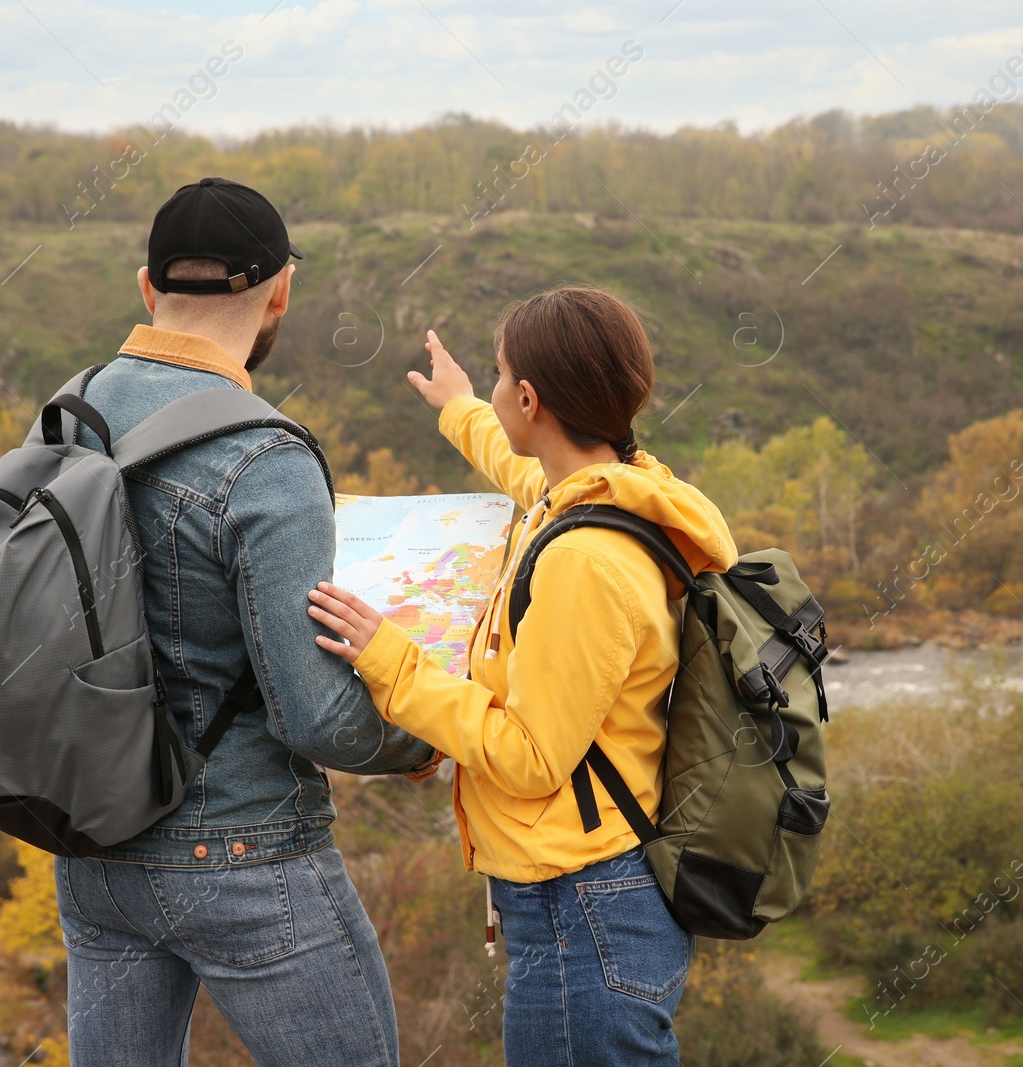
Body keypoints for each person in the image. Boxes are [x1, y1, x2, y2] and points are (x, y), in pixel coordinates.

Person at [53, 177, 441, 1067]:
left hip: (94, 847)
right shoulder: (265, 457)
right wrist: (423, 741)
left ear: (146, 290)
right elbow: (317, 718)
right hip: (245, 848)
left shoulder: (67, 414)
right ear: (281, 291)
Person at [307, 286, 739, 1066]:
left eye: (503, 377)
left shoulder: (583, 560)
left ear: (533, 398)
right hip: (588, 894)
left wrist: (387, 655)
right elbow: (518, 462)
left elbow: (529, 756)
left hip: (585, 912)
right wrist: (461, 405)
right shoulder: (604, 485)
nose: (498, 387)